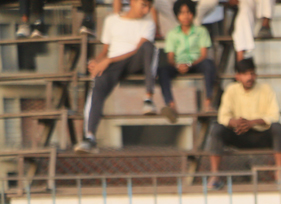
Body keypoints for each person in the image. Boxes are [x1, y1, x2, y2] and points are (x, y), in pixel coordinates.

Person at [76, 0, 160, 153]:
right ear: (133, 2)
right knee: (97, 84)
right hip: (113, 64)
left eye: (149, 6)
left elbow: (137, 50)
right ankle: (89, 137)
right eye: (143, 5)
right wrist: (96, 61)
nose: (146, 10)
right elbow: (105, 51)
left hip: (134, 61)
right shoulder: (111, 20)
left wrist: (108, 60)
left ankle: (148, 98)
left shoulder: (148, 24)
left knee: (150, 48)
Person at [207, 58, 281, 188]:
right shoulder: (231, 90)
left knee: (278, 128)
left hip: (261, 135)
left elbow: (274, 116)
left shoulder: (266, 89)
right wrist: (236, 123)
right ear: (238, 76)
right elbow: (223, 116)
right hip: (238, 134)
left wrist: (252, 123)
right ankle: (215, 176)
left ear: (255, 74)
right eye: (245, 74)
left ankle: (279, 174)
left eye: (251, 73)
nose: (249, 77)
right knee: (217, 130)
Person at [159, 0, 216, 119]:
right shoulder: (172, 34)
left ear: (193, 14)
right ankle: (171, 106)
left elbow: (203, 55)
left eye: (188, 12)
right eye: (182, 13)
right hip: (178, 64)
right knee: (163, 70)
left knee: (209, 64)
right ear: (177, 15)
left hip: (196, 63)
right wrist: (177, 65)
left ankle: (208, 102)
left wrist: (189, 64)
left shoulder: (201, 31)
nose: (185, 16)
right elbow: (170, 58)